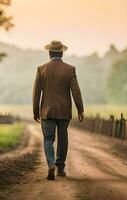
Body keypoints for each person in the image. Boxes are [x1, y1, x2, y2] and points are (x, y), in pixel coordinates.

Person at [32, 40, 84, 180]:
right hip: (64, 111)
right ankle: (60, 167)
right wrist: (80, 109)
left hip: (47, 111)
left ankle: (50, 165)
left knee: (48, 138)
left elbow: (37, 93)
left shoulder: (41, 69)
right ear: (61, 53)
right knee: (63, 138)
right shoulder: (70, 69)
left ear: (49, 53)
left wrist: (35, 111)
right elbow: (76, 91)